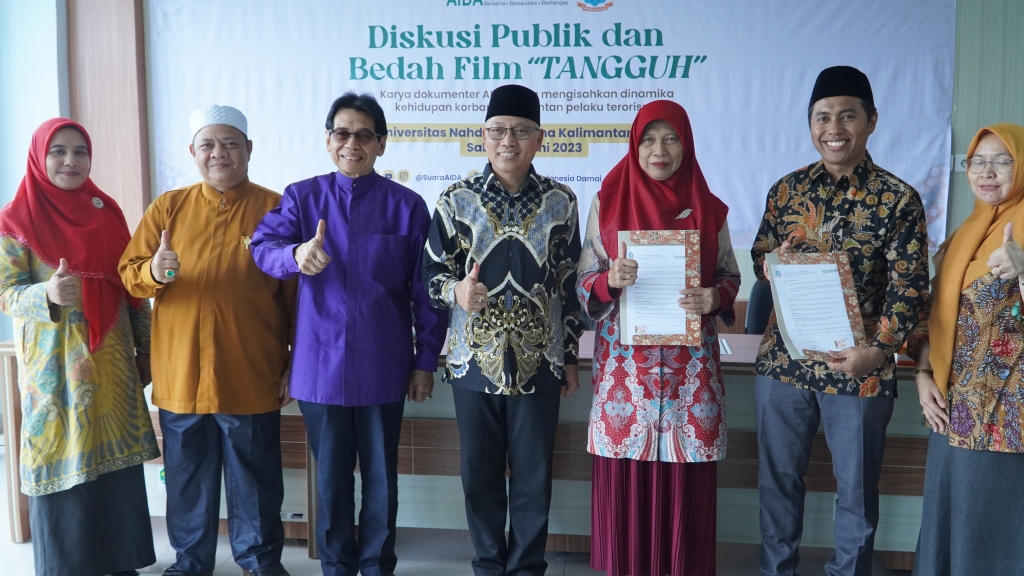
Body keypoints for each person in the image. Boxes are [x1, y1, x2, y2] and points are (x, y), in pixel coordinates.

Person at [251, 92, 446, 576]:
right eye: (342, 133)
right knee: (332, 480)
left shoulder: (407, 206)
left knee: (381, 479)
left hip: (384, 365)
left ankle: (377, 566)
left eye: (364, 135)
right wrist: (295, 254)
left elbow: (427, 292)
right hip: (321, 367)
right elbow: (262, 247)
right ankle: (337, 566)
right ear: (328, 140)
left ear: (381, 143)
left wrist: (425, 362)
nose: (352, 143)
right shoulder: (303, 197)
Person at [750, 65, 929, 576]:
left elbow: (910, 286)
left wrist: (879, 351)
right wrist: (771, 261)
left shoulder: (898, 199)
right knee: (778, 481)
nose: (834, 128)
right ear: (810, 124)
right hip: (785, 362)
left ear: (871, 121)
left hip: (860, 363)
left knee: (855, 488)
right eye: (822, 117)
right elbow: (760, 256)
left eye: (847, 116)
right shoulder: (786, 191)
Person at [119, 105, 294, 576]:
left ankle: (260, 561)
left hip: (250, 370)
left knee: (256, 479)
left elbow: (297, 296)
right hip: (182, 374)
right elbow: (129, 275)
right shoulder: (168, 207)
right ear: (192, 152)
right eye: (208, 145)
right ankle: (190, 563)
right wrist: (153, 271)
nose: (219, 153)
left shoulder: (277, 208)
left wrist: (294, 361)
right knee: (186, 477)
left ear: (249, 149)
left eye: (230, 144)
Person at [421, 84, 584, 576]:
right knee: (481, 478)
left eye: (520, 131)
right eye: (497, 131)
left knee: (535, 478)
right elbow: (430, 275)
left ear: (539, 138)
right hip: (474, 364)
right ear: (483, 136)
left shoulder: (561, 201)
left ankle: (527, 567)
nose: (507, 141)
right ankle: (489, 566)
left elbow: (569, 284)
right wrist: (457, 292)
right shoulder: (456, 199)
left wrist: (570, 355)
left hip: (541, 362)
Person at [576, 100, 740, 576]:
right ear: (634, 144)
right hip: (626, 381)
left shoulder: (709, 208)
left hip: (690, 378)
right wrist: (609, 281)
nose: (659, 150)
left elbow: (729, 276)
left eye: (671, 139)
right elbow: (583, 281)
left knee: (684, 492)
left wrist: (714, 297)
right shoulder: (607, 201)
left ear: (686, 145)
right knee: (625, 485)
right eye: (648, 139)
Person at [0, 118, 159, 576]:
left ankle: (121, 561)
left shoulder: (107, 212)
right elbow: (6, 292)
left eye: (80, 152)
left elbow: (132, 289)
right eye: (59, 151)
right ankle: (67, 565)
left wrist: (146, 349)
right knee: (60, 449)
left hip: (112, 362)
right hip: (54, 369)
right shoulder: (15, 219)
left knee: (114, 459)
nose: (70, 161)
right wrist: (45, 293)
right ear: (39, 157)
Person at [910, 123, 1024, 576]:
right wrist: (922, 374)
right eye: (977, 162)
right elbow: (936, 316)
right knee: (947, 527)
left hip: (1005, 416)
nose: (986, 173)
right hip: (952, 409)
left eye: (1001, 162)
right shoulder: (966, 233)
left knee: (988, 536)